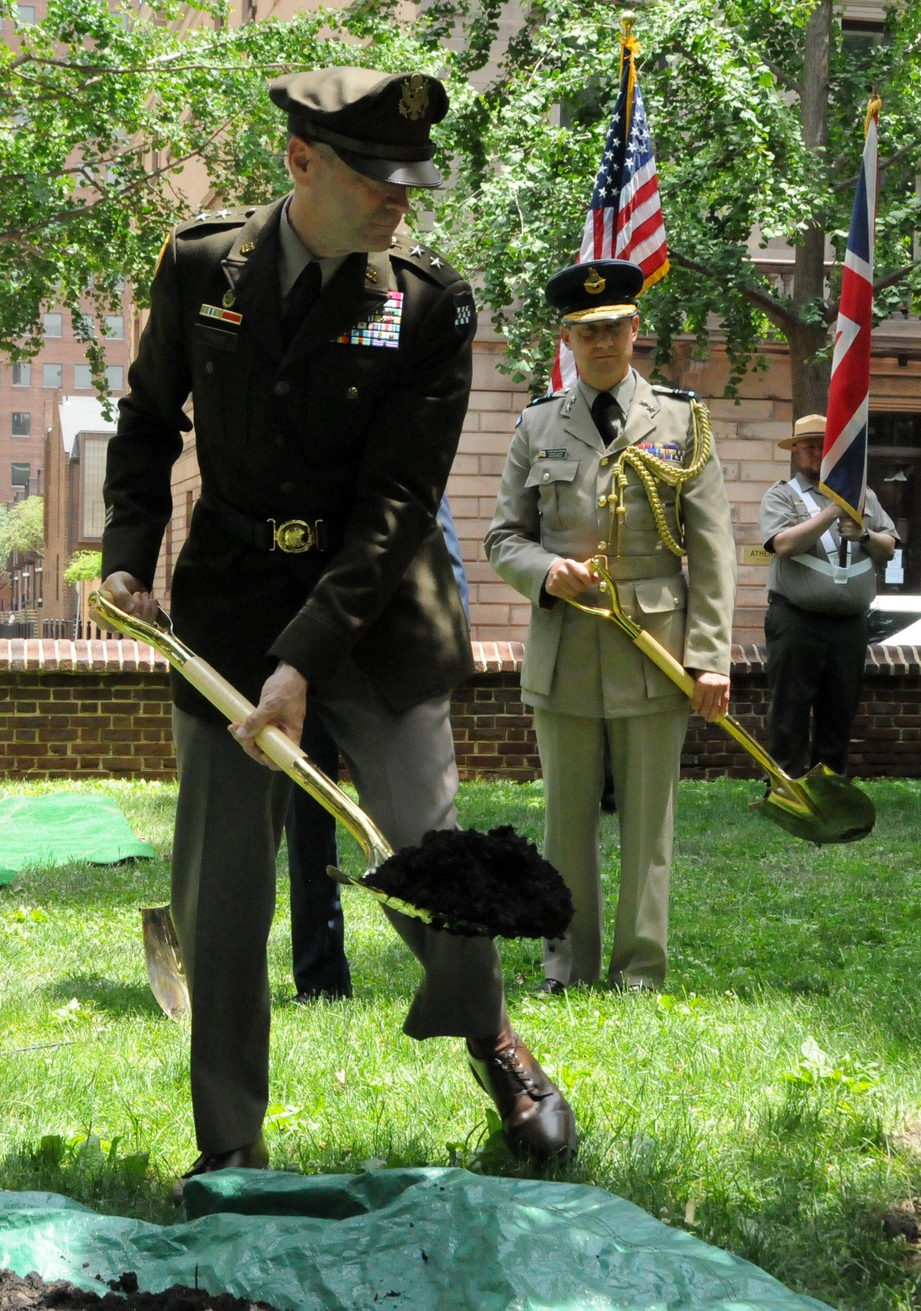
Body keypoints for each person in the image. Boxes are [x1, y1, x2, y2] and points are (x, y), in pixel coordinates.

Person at [100, 66, 577, 1191]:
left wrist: (304, 662)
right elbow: (145, 423)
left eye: (410, 179)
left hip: (375, 613)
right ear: (301, 162)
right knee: (222, 893)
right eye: (374, 176)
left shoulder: (429, 302)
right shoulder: (200, 267)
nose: (397, 198)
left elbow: (398, 504)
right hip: (227, 604)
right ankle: (229, 1139)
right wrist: (125, 559)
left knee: (426, 856)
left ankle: (494, 1044)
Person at [485, 259, 736, 995]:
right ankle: (566, 966)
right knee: (565, 827)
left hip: (655, 649)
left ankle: (638, 972)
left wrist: (711, 658)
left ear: (636, 330)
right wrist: (545, 572)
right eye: (587, 330)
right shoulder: (537, 425)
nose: (603, 341)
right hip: (565, 648)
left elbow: (715, 547)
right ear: (567, 337)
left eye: (615, 327)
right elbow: (504, 537)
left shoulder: (682, 422)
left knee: (647, 828)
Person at [284, 493, 469, 1006]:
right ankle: (319, 976)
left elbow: (439, 556)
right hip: (292, 660)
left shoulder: (397, 455)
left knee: (412, 825)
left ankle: (461, 973)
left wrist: (447, 647)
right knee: (306, 820)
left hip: (382, 663)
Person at [759, 413, 897, 779]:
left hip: (849, 625)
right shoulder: (781, 495)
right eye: (808, 446)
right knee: (789, 710)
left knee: (839, 711)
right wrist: (835, 508)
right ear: (796, 453)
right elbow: (784, 544)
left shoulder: (865, 497)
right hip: (796, 620)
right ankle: (786, 790)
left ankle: (830, 788)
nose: (816, 452)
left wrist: (864, 533)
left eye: (824, 445)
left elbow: (889, 547)